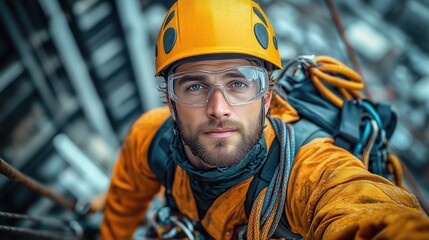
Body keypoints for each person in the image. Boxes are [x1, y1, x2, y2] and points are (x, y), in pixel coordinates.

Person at [100, 0, 429, 239]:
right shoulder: (150, 138)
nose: (218, 108)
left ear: (267, 97)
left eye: (239, 84)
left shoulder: (307, 173)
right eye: (195, 86)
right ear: (171, 104)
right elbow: (121, 208)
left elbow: (368, 212)